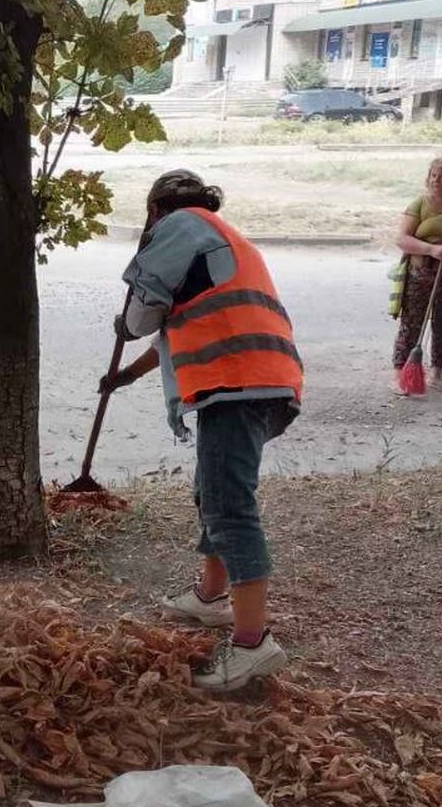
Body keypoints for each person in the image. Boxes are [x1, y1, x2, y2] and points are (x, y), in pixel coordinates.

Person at [99, 169, 303, 694]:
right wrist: (123, 377)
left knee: (229, 506)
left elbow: (145, 317)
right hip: (260, 379)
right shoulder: (220, 239)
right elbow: (173, 332)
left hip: (238, 380)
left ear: (155, 209)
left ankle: (253, 644)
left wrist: (125, 324)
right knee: (211, 491)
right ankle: (210, 598)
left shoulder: (179, 228)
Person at [391, 153, 442, 395]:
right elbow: (402, 239)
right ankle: (402, 375)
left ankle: (437, 373)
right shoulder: (419, 204)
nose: (435, 181)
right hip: (421, 273)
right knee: (411, 325)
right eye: (433, 175)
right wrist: (431, 249)